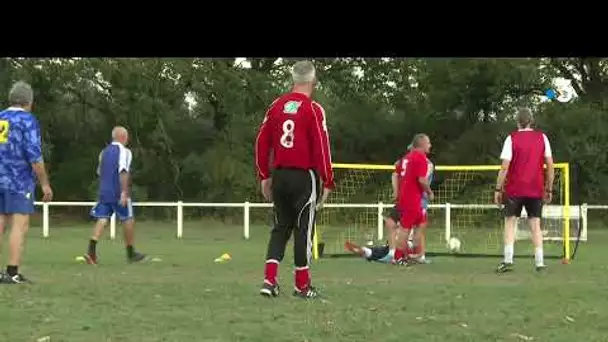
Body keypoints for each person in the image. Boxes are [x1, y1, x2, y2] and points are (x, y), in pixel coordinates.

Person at [255, 61, 334, 299]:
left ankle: (269, 281)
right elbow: (322, 146)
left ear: (293, 80)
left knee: (280, 228)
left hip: (279, 175)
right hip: (303, 176)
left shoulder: (276, 106)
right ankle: (302, 285)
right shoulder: (313, 109)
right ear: (313, 81)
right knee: (303, 229)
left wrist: (264, 175)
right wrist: (327, 179)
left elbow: (261, 141)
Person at [0, 81, 53, 284]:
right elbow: (34, 156)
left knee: (1, 221)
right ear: (28, 101)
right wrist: (45, 184)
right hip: (18, 179)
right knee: (19, 223)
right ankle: (12, 271)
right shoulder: (27, 120)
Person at [494, 108, 553, 273]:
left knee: (510, 223)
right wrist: (548, 187)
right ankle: (539, 263)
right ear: (531, 121)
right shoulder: (542, 137)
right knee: (535, 224)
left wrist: (498, 188)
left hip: (515, 188)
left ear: (517, 121)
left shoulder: (511, 138)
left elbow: (504, 167)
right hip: (535, 188)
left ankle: (507, 260)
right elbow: (550, 165)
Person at [83, 126, 146, 265]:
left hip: (105, 191)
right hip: (118, 191)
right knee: (128, 218)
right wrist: (123, 192)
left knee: (103, 219)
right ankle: (131, 253)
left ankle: (90, 251)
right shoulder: (125, 152)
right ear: (123, 137)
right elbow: (123, 171)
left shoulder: (103, 152)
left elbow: (99, 172)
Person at [391, 134, 433, 264]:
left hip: (407, 196)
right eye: (428, 143)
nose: (430, 145)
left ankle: (415, 254)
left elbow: (396, 173)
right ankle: (398, 257)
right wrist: (430, 192)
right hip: (412, 198)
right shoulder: (420, 157)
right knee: (405, 228)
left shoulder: (406, 157)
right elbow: (422, 179)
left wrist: (397, 192)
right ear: (422, 144)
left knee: (422, 221)